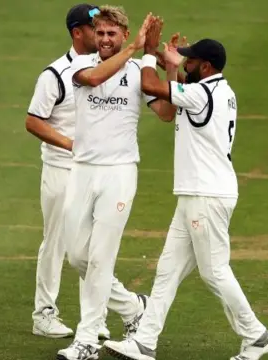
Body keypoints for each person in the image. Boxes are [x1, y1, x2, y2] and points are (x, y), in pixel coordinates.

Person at [102, 29, 268, 360]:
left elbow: (152, 87)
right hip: (197, 195)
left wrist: (145, 56)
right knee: (167, 272)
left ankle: (256, 334)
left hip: (206, 196)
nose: (187, 62)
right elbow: (179, 87)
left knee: (214, 271)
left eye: (192, 60)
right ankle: (144, 343)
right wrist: (165, 60)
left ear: (207, 67)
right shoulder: (217, 90)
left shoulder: (200, 94)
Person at [56, 8, 176, 360]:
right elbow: (93, 80)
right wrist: (135, 49)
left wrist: (164, 63)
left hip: (120, 172)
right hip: (81, 170)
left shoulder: (140, 70)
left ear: (124, 34)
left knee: (100, 258)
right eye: (101, 33)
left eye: (113, 33)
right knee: (78, 256)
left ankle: (87, 339)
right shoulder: (79, 66)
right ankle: (133, 308)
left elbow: (167, 114)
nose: (105, 39)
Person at [25, 3, 111, 340]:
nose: (101, 34)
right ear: (78, 32)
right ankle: (44, 314)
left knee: (93, 246)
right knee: (57, 242)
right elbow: (33, 120)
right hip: (62, 170)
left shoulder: (106, 68)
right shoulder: (54, 74)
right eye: (95, 28)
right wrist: (70, 144)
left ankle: (94, 318)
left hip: (96, 171)